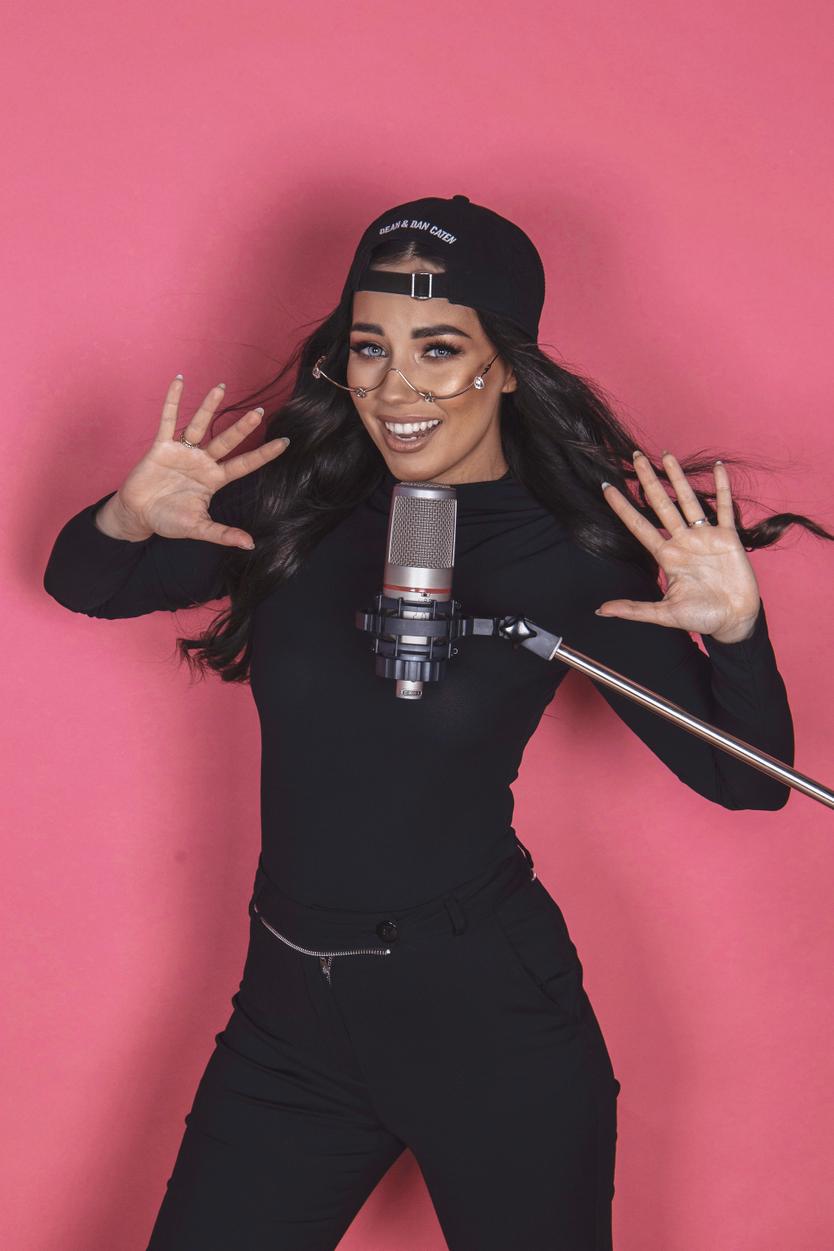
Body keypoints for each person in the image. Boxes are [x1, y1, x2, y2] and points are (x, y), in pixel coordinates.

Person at [43, 194, 822, 1251]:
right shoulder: (299, 501)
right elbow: (86, 584)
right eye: (370, 347)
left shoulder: (566, 556)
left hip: (486, 1023)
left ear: (507, 365)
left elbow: (751, 780)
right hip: (288, 1020)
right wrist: (126, 517)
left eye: (438, 349)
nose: (393, 386)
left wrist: (736, 633)